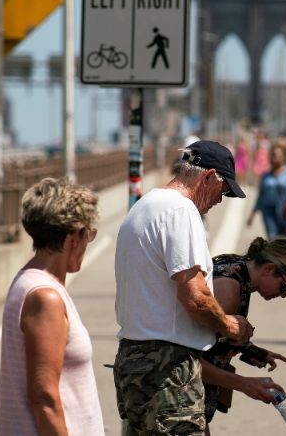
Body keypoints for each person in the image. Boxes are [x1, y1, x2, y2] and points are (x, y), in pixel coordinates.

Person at [114, 140, 254, 435]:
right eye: (223, 190)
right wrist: (229, 325)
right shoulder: (181, 211)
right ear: (207, 177)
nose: (220, 201)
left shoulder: (145, 206)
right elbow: (196, 296)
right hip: (168, 366)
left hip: (134, 358)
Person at [0, 178, 104, 435]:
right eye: (89, 233)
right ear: (73, 236)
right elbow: (44, 398)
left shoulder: (30, 281)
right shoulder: (45, 298)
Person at [200, 237, 286, 425]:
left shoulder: (239, 269)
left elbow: (216, 339)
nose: (283, 295)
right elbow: (187, 362)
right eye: (285, 287)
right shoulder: (229, 290)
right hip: (176, 397)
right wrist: (245, 384)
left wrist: (251, 350)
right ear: (269, 269)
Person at [247, 145, 286, 239]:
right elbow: (261, 195)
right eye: (274, 155)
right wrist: (253, 214)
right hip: (268, 210)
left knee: (285, 239)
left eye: (279, 156)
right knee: (272, 236)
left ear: (284, 157)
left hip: (284, 211)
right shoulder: (266, 175)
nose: (276, 158)